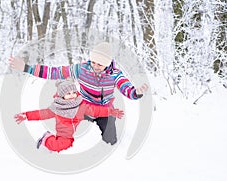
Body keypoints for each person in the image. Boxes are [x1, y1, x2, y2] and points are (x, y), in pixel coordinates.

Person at [9, 42, 148, 145]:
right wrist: (27, 68)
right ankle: (52, 139)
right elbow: (55, 72)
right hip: (82, 106)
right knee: (66, 128)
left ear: (108, 63)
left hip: (103, 110)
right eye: (93, 62)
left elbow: (126, 88)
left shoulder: (115, 74)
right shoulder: (82, 69)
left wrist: (136, 93)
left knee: (110, 141)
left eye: (99, 64)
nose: (95, 66)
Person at [14, 78, 124, 152]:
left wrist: (110, 111)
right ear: (61, 95)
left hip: (73, 130)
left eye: (73, 93)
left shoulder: (81, 105)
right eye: (68, 94)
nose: (72, 96)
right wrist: (26, 116)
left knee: (69, 144)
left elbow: (96, 111)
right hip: (64, 132)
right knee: (60, 146)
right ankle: (45, 139)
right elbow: (42, 114)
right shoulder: (57, 108)